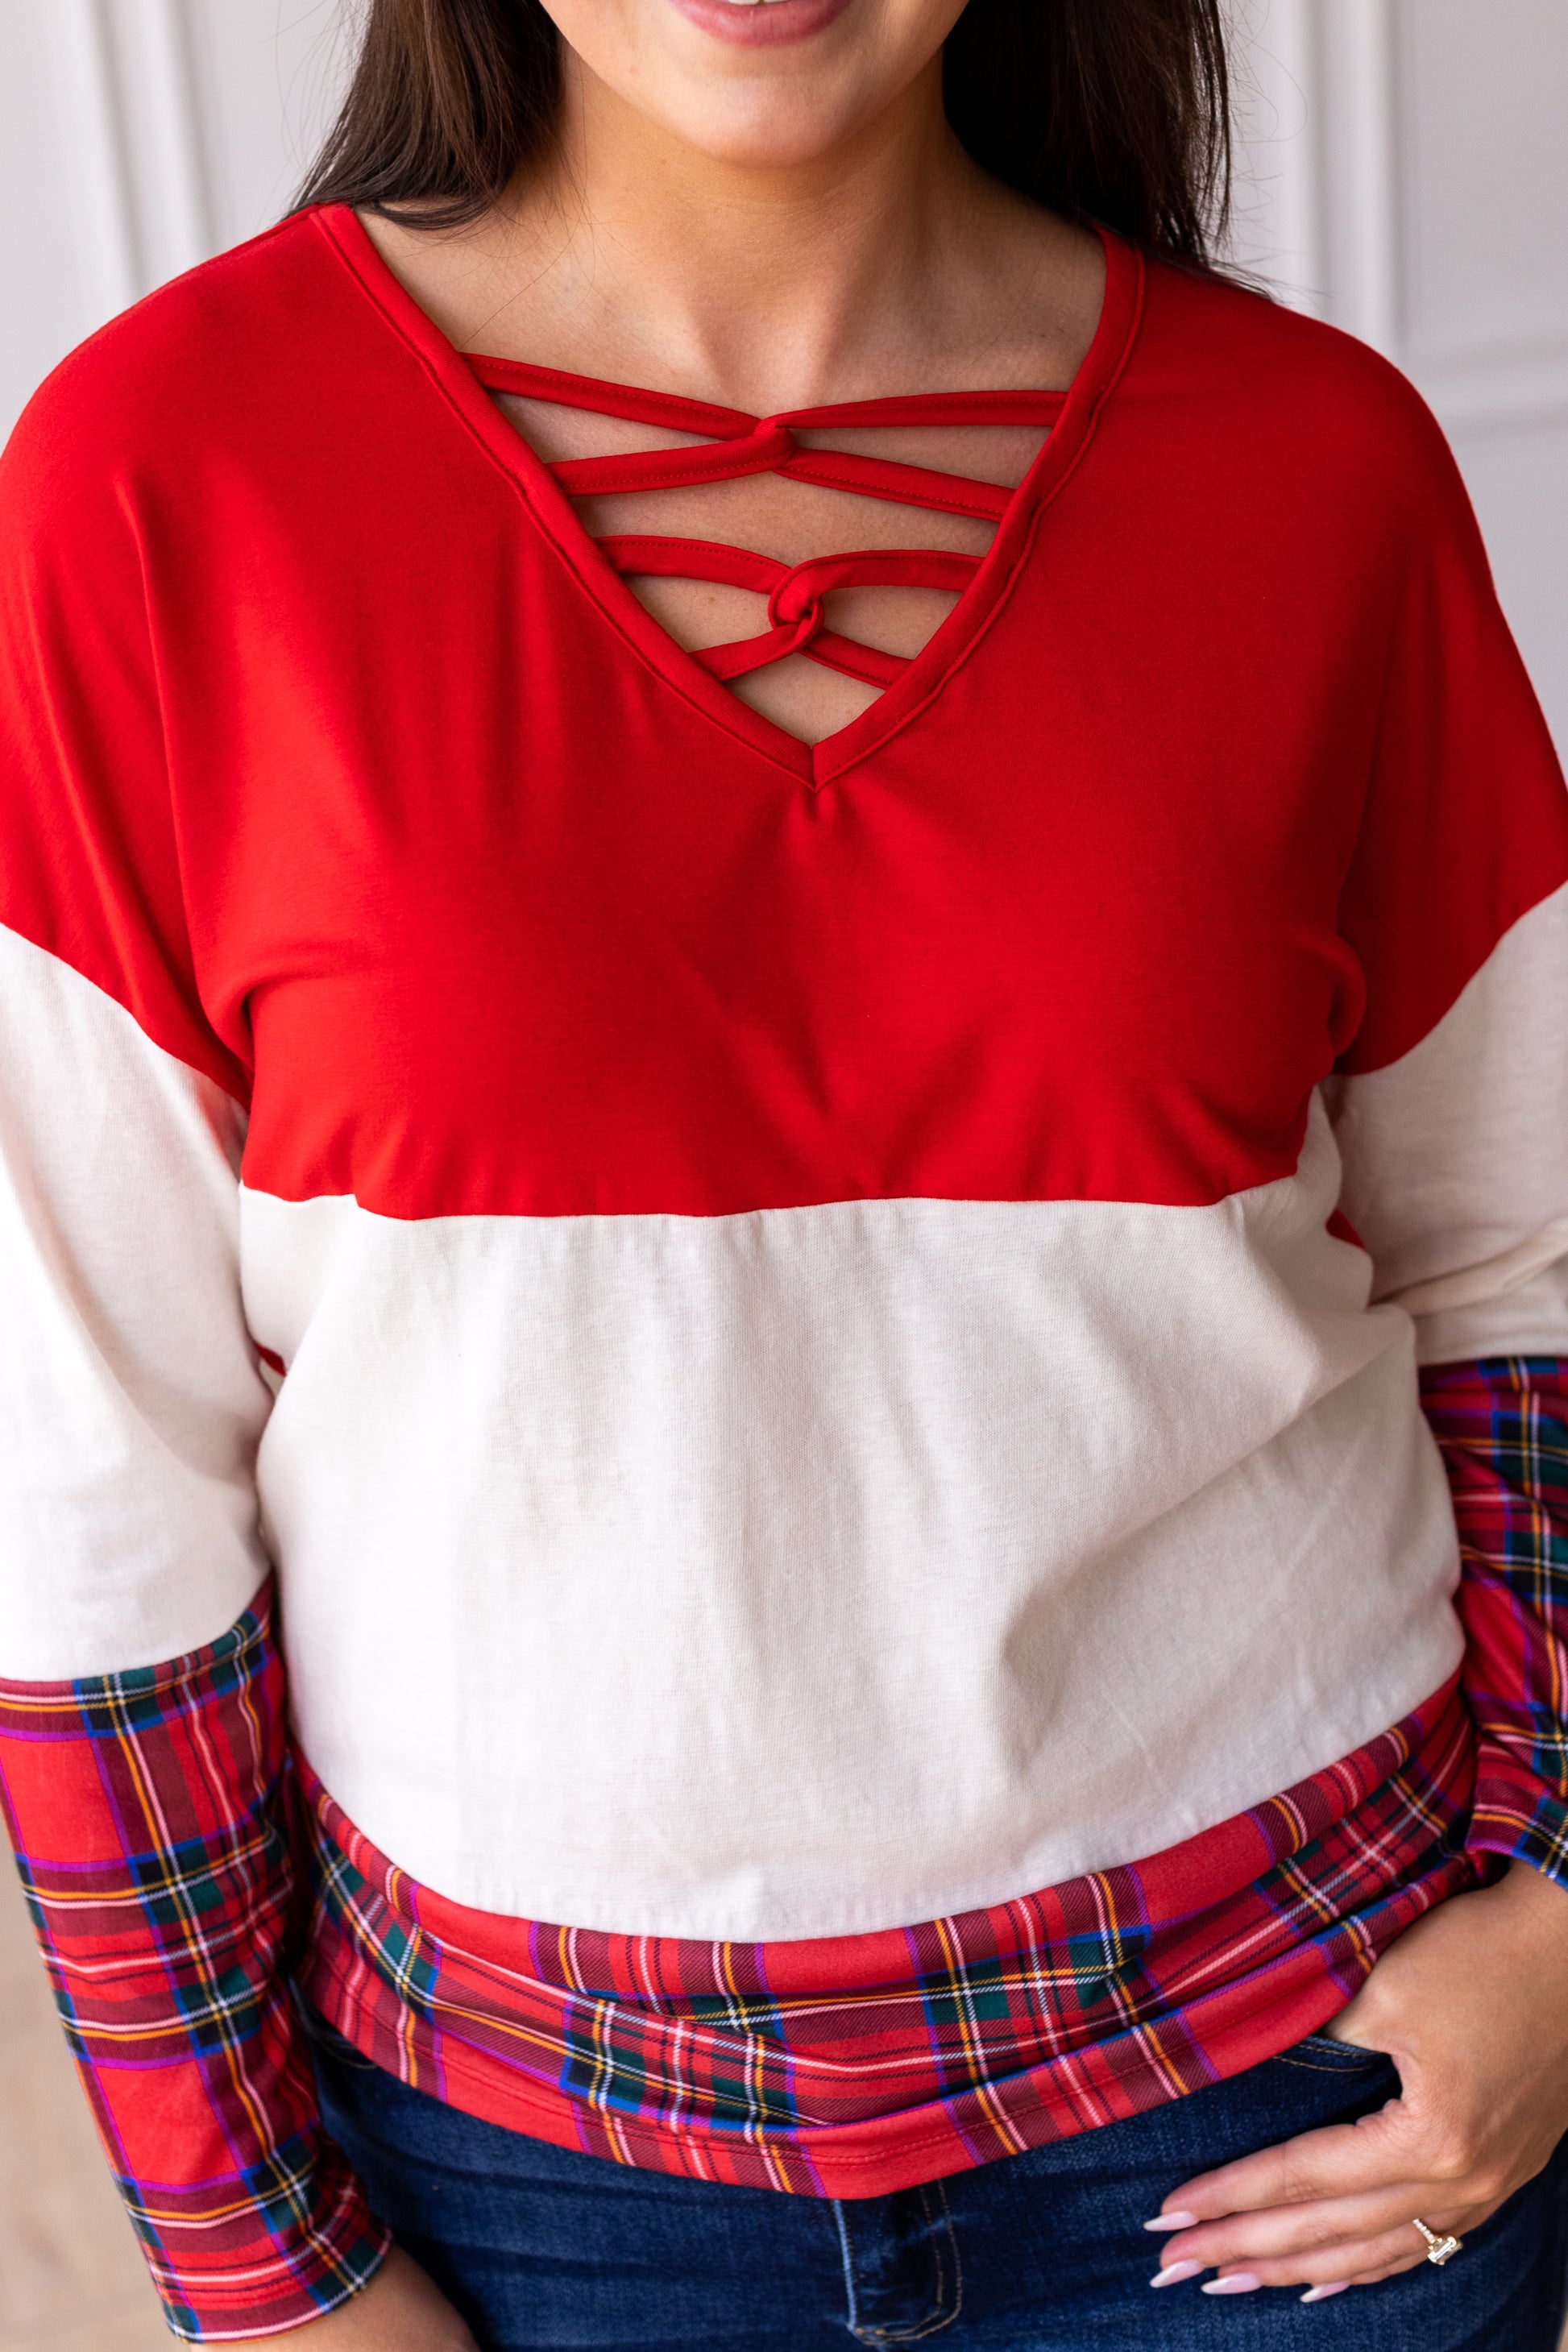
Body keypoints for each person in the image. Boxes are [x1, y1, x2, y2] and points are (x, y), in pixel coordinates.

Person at [2, 0, 1566, 2343]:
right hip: (538, 2173)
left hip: (1307, 2083)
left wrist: (1562, 1904)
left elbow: (1518, 1261)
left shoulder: (1319, 467)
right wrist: (254, 2259)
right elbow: (84, 1461)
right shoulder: (153, 477)